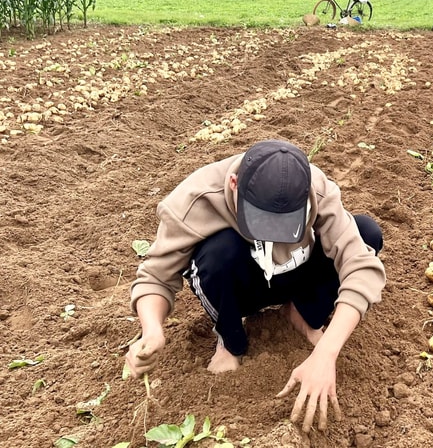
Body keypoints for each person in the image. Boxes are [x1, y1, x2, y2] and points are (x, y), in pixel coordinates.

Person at [125, 139, 386, 433]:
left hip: (295, 271)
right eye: (261, 221)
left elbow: (361, 267)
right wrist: (152, 329)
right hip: (240, 284)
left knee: (366, 232)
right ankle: (230, 339)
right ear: (234, 185)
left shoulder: (319, 192)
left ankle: (302, 313)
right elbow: (156, 276)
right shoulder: (194, 201)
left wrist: (326, 353)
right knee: (219, 251)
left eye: (286, 224)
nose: (274, 233)